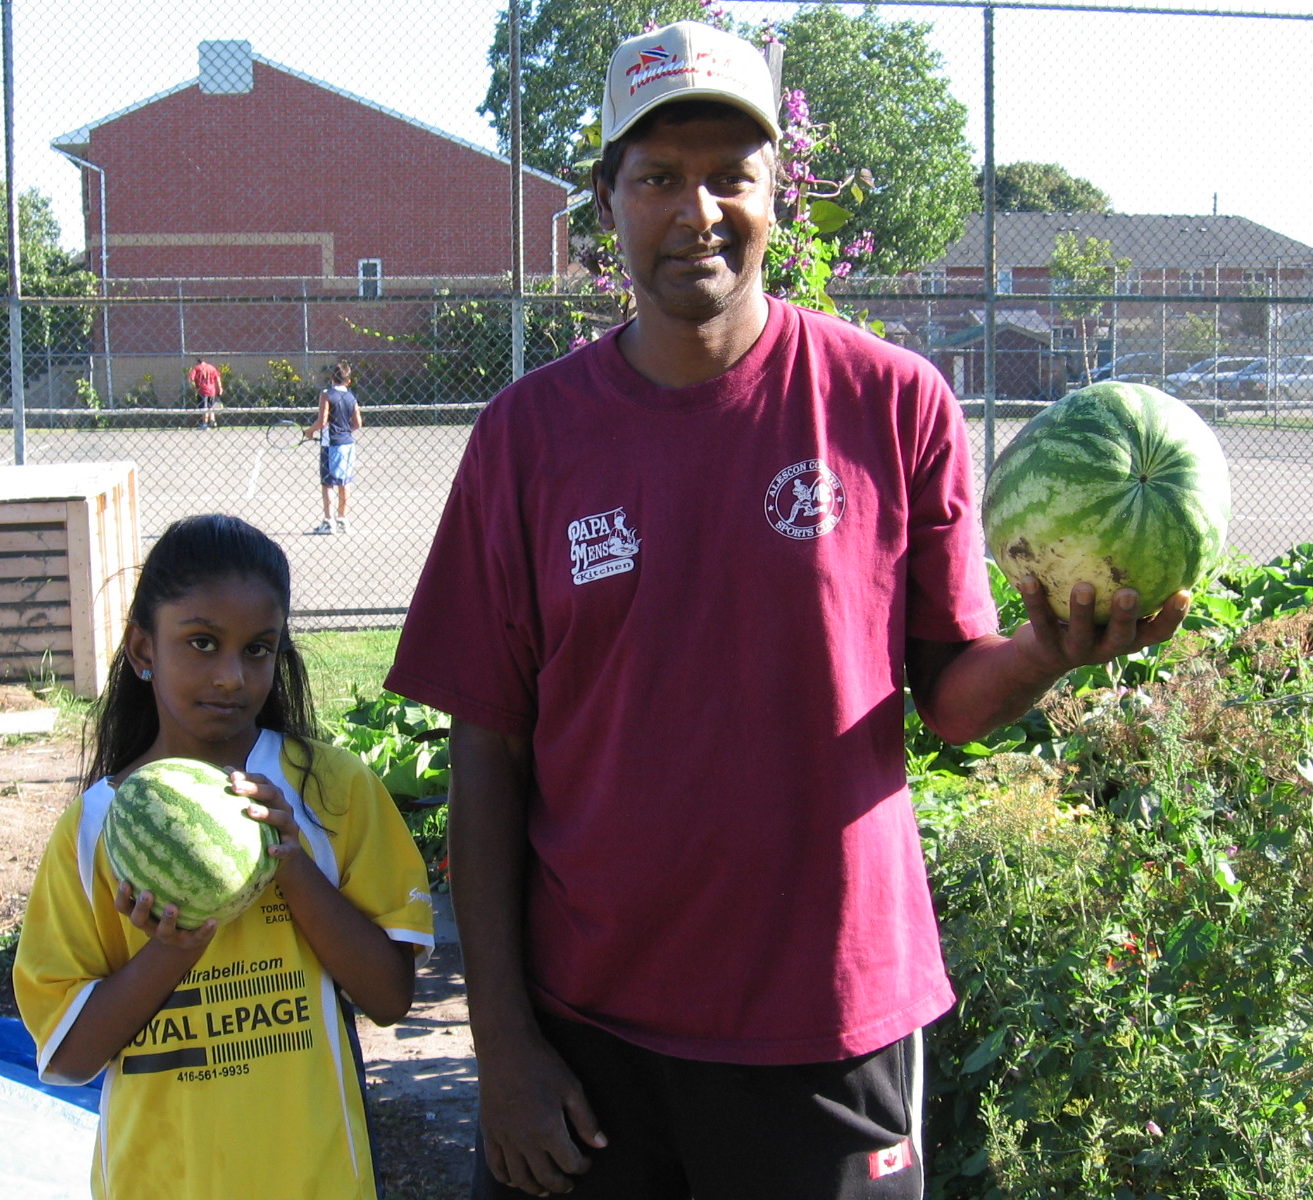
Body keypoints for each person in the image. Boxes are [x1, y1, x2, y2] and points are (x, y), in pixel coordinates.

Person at [385, 19, 1190, 1200]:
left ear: (780, 194)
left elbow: (953, 700)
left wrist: (1043, 655)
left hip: (828, 1019)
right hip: (586, 1031)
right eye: (657, 178)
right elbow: (487, 748)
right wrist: (501, 1047)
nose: (694, 210)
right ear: (607, 199)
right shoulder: (527, 436)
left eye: (729, 176)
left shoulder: (890, 403)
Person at [14, 513, 435, 1200]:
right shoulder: (95, 829)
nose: (233, 676)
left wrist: (292, 865)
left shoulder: (329, 791)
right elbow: (68, 1056)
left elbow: (389, 998)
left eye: (258, 649)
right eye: (202, 643)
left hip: (317, 1182)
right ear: (143, 649)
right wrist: (173, 950)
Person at [305, 361, 363, 534]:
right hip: (348, 444)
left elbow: (322, 421)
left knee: (328, 483)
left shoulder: (326, 394)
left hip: (331, 446)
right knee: (345, 483)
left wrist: (309, 431)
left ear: (331, 378)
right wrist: (345, 431)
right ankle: (343, 519)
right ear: (349, 381)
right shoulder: (351, 397)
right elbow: (358, 423)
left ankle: (329, 521)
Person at [188, 357, 222, 429]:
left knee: (204, 408)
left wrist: (193, 388)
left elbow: (191, 379)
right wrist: (220, 388)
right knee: (211, 406)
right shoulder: (211, 367)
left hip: (202, 390)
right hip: (212, 390)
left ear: (198, 362)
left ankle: (205, 424)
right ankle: (212, 420)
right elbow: (217, 378)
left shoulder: (196, 368)